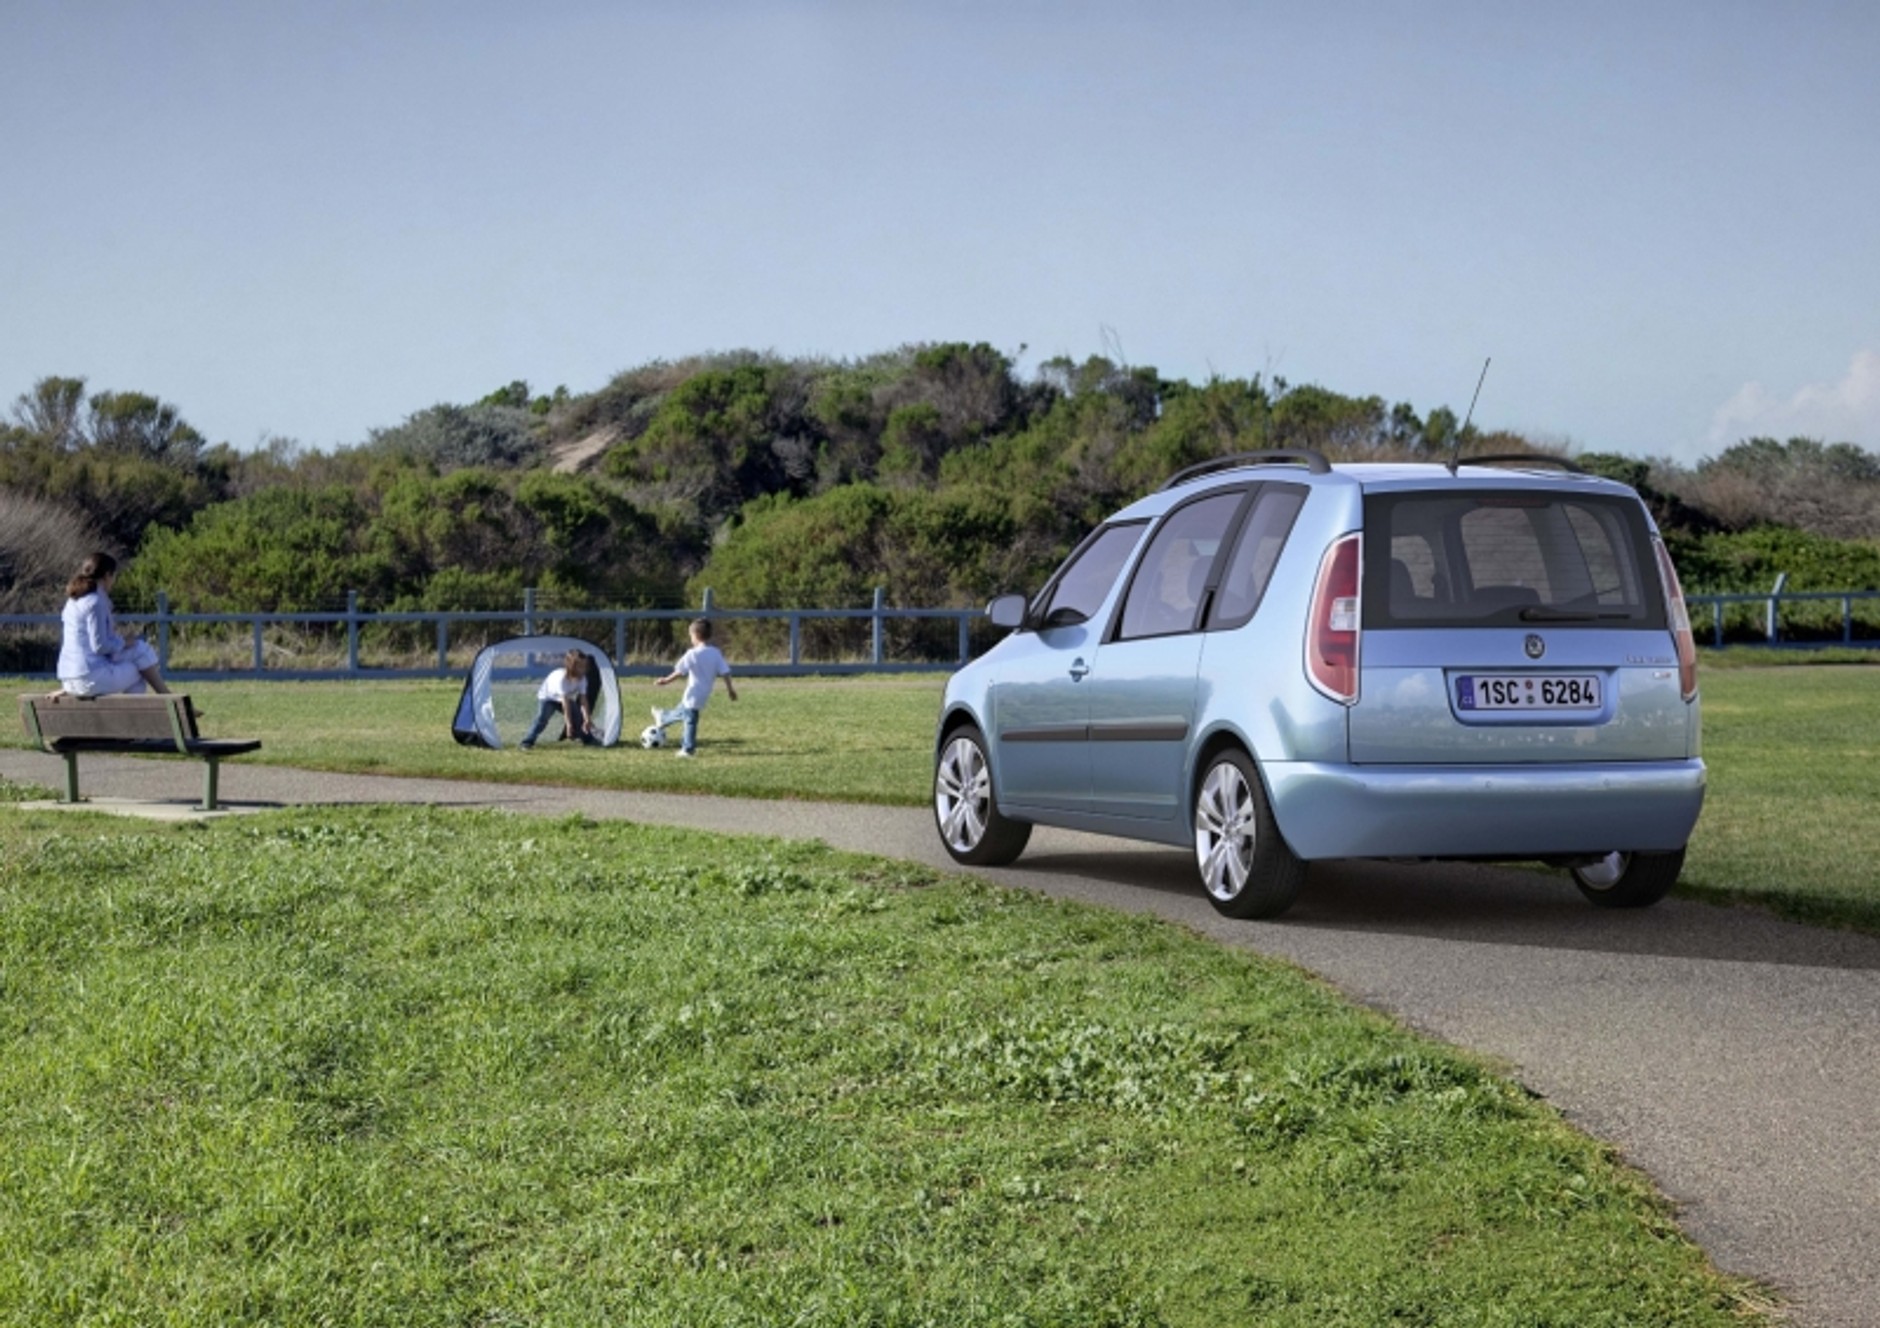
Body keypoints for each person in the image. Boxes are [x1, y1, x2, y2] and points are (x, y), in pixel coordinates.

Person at [56, 552, 172, 697]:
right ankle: (169, 700)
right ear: (107, 575)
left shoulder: (73, 601)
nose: (113, 581)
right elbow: (100, 646)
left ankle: (167, 698)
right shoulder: (95, 602)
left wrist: (122, 643)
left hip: (69, 678)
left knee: (141, 652)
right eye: (114, 576)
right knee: (142, 670)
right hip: (90, 677)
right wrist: (124, 642)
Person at [651, 618, 737, 758]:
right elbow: (725, 672)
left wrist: (666, 680)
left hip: (693, 693)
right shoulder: (715, 653)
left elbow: (680, 671)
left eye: (690, 635)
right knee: (684, 712)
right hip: (704, 693)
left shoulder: (692, 654)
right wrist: (730, 690)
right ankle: (663, 717)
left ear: (695, 635)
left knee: (690, 720)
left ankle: (687, 749)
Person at [519, 650, 600, 750]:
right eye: (580, 666)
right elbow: (565, 704)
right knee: (542, 719)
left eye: (585, 666)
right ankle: (527, 742)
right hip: (548, 698)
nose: (583, 670)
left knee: (579, 716)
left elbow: (583, 700)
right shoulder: (562, 679)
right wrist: (569, 725)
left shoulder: (582, 679)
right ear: (571, 666)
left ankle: (588, 739)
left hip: (564, 698)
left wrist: (587, 719)